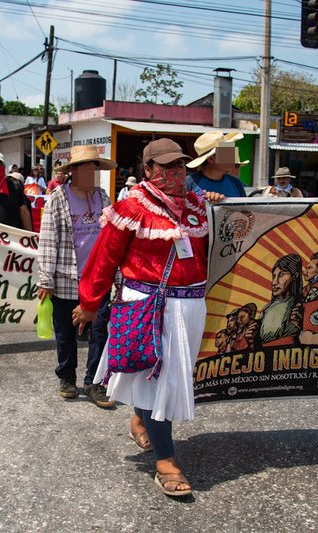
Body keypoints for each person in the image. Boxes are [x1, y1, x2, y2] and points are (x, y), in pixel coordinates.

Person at [72, 138, 210, 498]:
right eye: (165, 167)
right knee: (158, 383)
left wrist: (221, 207)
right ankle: (166, 460)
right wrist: (89, 302)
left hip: (191, 306)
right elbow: (104, 258)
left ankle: (140, 417)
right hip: (149, 304)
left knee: (163, 378)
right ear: (147, 170)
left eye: (179, 166)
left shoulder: (198, 205)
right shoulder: (132, 207)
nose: (174, 173)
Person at [38, 144, 116, 408]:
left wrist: (116, 278)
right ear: (73, 171)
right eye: (86, 168)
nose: (91, 173)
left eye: (95, 168)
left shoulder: (104, 198)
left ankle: (94, 382)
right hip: (65, 277)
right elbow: (48, 240)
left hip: (97, 280)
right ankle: (67, 377)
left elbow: (112, 239)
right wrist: (45, 279)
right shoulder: (58, 199)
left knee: (99, 331)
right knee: (66, 334)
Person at [185, 131, 247, 197]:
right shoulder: (188, 183)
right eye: (227, 153)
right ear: (211, 159)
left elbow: (243, 207)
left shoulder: (236, 183)